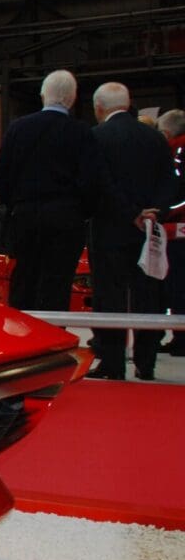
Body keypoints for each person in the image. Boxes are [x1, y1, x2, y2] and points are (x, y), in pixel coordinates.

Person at [87, 82, 177, 380]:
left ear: (99, 107)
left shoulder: (96, 136)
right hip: (149, 231)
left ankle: (112, 362)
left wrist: (130, 212)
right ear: (128, 104)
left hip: (110, 228)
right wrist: (155, 212)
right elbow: (170, 181)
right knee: (148, 294)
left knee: (109, 296)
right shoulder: (155, 138)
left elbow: (101, 183)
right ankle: (146, 362)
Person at [0, 70, 101, 312]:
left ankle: (23, 329)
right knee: (58, 283)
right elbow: (91, 182)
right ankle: (55, 330)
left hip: (26, 215)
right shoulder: (81, 132)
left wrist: (14, 204)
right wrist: (80, 211)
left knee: (24, 278)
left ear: (43, 95)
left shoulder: (18, 128)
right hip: (66, 217)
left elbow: (1, 179)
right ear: (72, 98)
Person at [157, 108, 185, 355]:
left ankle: (181, 338)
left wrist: (164, 213)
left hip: (178, 231)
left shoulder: (176, 153)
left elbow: (177, 194)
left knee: (177, 285)